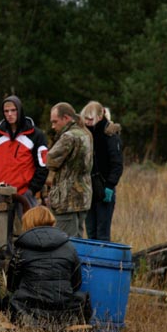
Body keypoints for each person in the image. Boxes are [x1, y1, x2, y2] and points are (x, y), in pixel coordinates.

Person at [5, 206, 91, 327]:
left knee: (7, 299)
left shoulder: (21, 249)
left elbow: (12, 286)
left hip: (28, 312)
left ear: (27, 223)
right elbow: (76, 284)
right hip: (65, 312)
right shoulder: (69, 247)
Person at [0, 95, 49, 252]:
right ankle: (6, 264)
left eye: (13, 110)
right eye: (6, 111)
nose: (9, 114)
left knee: (32, 230)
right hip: (3, 193)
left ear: (20, 110)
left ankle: (34, 257)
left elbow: (43, 166)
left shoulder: (36, 135)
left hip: (25, 192)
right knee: (3, 233)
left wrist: (33, 189)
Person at [46, 102, 93, 238]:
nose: (53, 126)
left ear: (66, 118)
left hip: (67, 200)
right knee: (78, 241)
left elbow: (50, 160)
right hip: (82, 197)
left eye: (55, 122)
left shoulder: (69, 136)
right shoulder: (86, 133)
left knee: (64, 242)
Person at [80, 101, 123, 241]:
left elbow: (117, 164)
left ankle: (103, 260)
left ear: (99, 117)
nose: (87, 122)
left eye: (90, 119)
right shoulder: (85, 135)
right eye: (85, 119)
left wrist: (110, 185)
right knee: (91, 232)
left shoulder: (110, 136)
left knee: (102, 233)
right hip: (88, 188)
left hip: (104, 188)